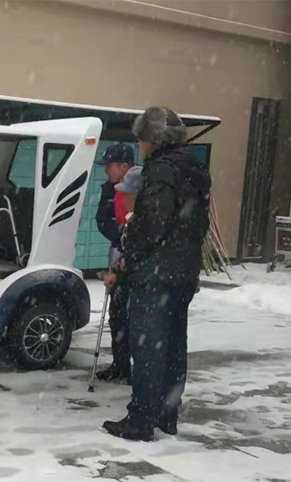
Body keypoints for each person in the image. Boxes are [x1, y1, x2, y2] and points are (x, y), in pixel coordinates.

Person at [103, 107, 212, 442]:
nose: (140, 145)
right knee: (174, 347)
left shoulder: (162, 169)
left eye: (142, 138)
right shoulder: (193, 167)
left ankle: (141, 420)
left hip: (157, 274)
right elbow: (197, 223)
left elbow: (151, 223)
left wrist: (129, 246)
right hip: (183, 273)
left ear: (154, 139)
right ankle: (167, 414)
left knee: (148, 347)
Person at [94, 143, 135, 382]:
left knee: (137, 317)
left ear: (124, 166)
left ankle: (140, 370)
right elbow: (101, 219)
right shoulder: (108, 189)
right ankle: (120, 365)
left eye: (109, 166)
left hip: (138, 260)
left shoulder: (143, 186)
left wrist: (132, 237)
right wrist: (119, 234)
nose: (106, 171)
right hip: (118, 254)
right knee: (117, 312)